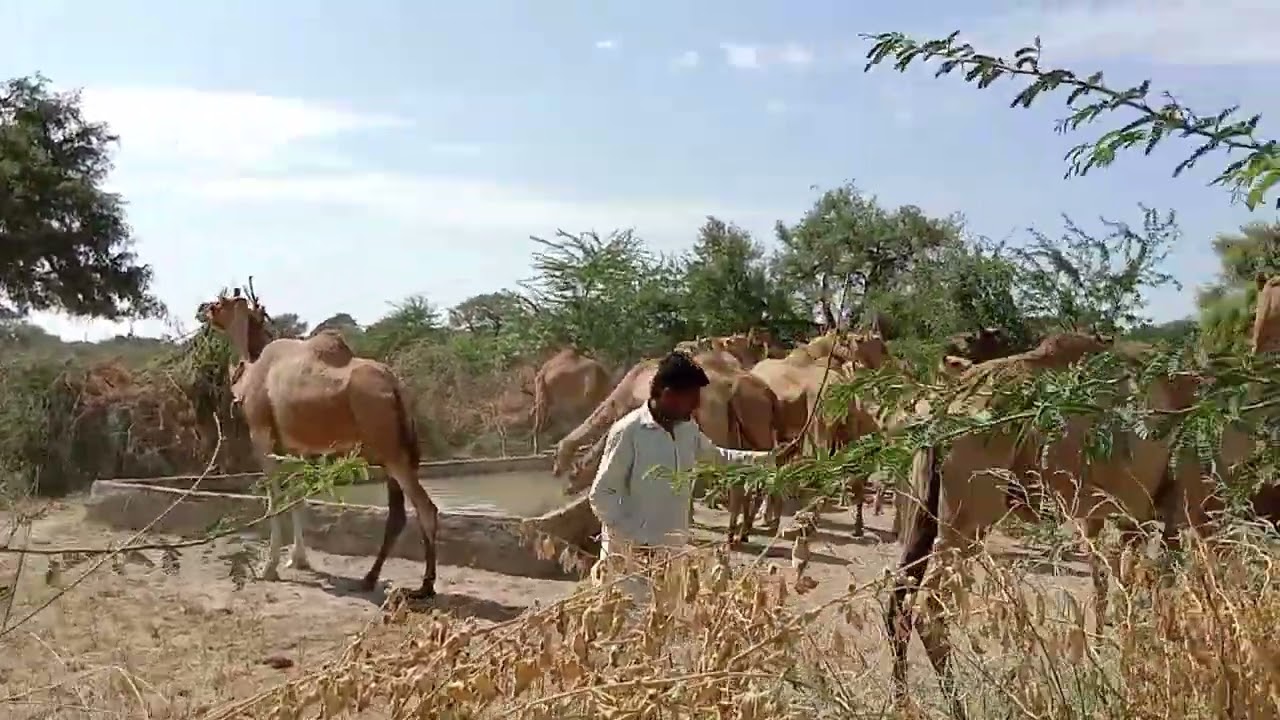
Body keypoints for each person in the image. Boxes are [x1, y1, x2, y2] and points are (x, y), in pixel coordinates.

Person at [586, 351, 781, 601]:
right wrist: (637, 541)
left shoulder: (687, 429)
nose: (697, 406)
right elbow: (601, 495)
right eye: (692, 398)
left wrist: (769, 459)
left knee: (662, 629)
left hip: (671, 559)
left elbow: (718, 458)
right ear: (668, 395)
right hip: (630, 565)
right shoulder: (629, 432)